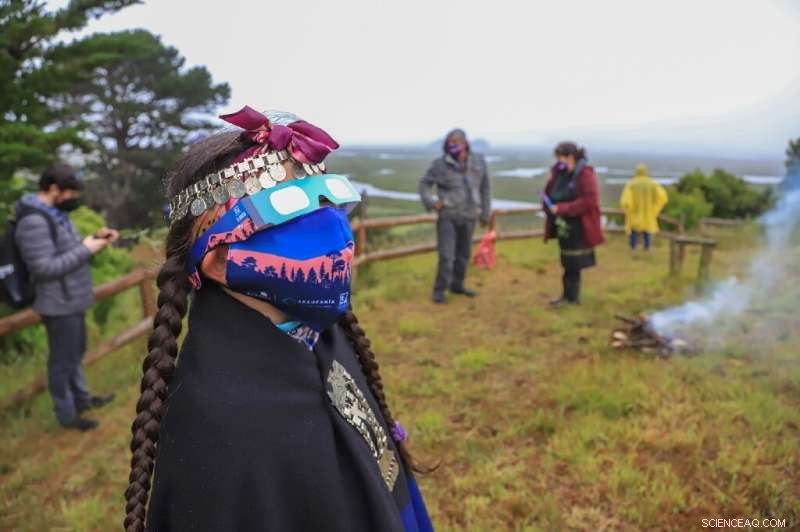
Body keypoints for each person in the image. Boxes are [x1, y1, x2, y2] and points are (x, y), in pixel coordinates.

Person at [123, 107, 433, 532]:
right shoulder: (217, 436)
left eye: (328, 198)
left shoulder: (323, 334)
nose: (334, 231)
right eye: (292, 210)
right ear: (215, 259)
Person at [14, 163, 118, 431]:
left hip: (71, 298)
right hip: (57, 304)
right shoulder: (33, 221)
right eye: (70, 193)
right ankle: (67, 415)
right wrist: (86, 249)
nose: (74, 199)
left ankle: (83, 400)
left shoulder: (53, 213)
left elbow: (64, 248)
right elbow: (44, 268)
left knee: (75, 354)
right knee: (61, 362)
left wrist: (94, 238)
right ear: (53, 189)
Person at [418, 128, 491, 304]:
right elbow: (424, 184)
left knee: (464, 255)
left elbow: (485, 188)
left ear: (465, 143)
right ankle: (439, 291)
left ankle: (457, 285)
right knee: (446, 256)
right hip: (448, 216)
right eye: (450, 142)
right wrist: (431, 201)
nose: (453, 146)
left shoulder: (479, 161)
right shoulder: (440, 164)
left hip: (470, 215)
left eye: (456, 142)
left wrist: (485, 213)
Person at [542, 142, 604, 305]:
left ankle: (571, 297)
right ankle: (567, 296)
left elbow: (590, 201)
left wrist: (563, 208)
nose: (558, 162)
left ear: (570, 157)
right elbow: (550, 192)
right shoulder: (559, 174)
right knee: (567, 262)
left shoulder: (585, 175)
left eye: (560, 158)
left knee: (573, 264)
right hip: (564, 226)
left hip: (579, 227)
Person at [620, 163, 668, 251]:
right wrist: (654, 207)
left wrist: (628, 209)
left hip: (635, 211)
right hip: (648, 212)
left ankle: (633, 247)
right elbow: (662, 196)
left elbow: (626, 200)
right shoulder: (652, 183)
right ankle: (647, 247)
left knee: (633, 229)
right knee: (648, 229)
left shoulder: (631, 183)